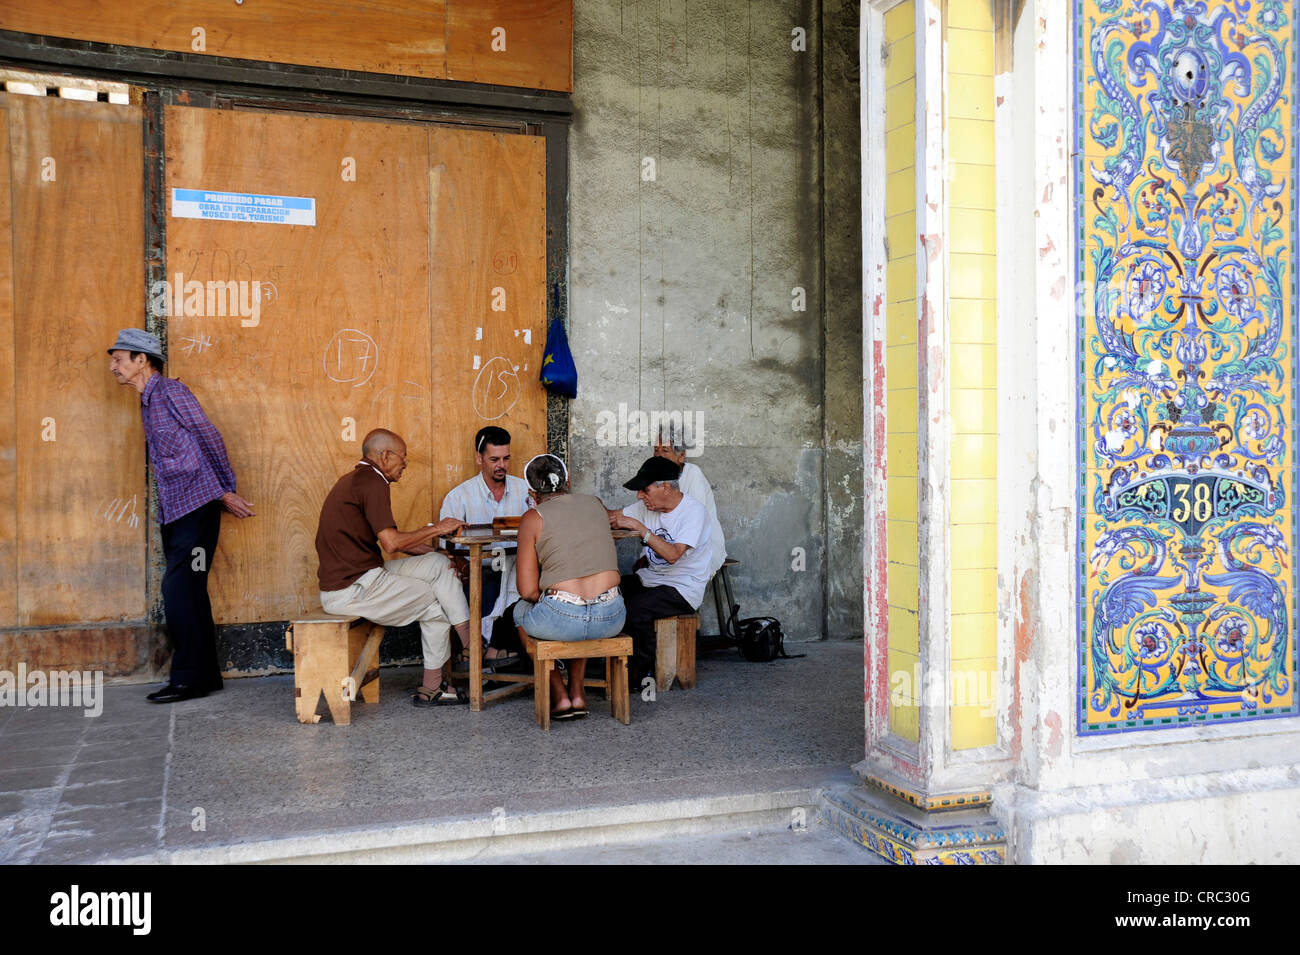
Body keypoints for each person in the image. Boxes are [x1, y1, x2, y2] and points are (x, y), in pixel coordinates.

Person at [108, 328, 255, 704]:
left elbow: (209, 435)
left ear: (142, 360)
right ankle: (204, 678)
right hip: (175, 509)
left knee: (179, 591)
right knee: (188, 592)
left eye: (119, 359)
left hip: (198, 508)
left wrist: (225, 490)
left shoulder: (171, 392)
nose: (114, 367)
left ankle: (189, 679)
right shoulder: (147, 401)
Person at [315, 428, 469, 706]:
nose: (405, 464)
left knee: (438, 563)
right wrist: (438, 528)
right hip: (351, 590)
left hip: (364, 577)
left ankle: (469, 645)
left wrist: (435, 550)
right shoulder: (372, 482)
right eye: (403, 458)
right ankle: (437, 683)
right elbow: (391, 543)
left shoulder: (357, 479)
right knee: (437, 604)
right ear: (385, 456)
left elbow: (396, 541)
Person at [514, 454, 625, 720]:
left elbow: (527, 591)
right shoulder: (596, 504)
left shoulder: (533, 517)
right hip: (612, 616)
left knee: (519, 611)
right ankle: (578, 691)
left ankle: (559, 693)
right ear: (569, 480)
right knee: (585, 602)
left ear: (532, 492)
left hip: (562, 618)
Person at [607, 456, 714, 685]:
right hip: (651, 579)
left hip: (683, 588)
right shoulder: (645, 506)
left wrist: (641, 529)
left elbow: (674, 554)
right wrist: (589, 506)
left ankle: (641, 675)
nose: (639, 496)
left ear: (665, 486)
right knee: (606, 591)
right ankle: (603, 665)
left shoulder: (694, 512)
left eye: (644, 490)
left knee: (636, 610)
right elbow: (613, 517)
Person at [439, 425, 531, 668]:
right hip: (478, 572)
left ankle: (494, 653)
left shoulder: (525, 491)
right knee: (487, 581)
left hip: (518, 570)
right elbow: (445, 548)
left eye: (506, 458)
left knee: (534, 587)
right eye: (494, 459)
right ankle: (492, 650)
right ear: (479, 458)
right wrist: (464, 568)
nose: (501, 465)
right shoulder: (459, 497)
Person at [653, 425, 726, 575]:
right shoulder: (655, 479)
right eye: (655, 450)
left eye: (665, 451)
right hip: (668, 549)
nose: (658, 456)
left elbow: (694, 522)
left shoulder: (693, 475)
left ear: (681, 456)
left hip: (698, 549)